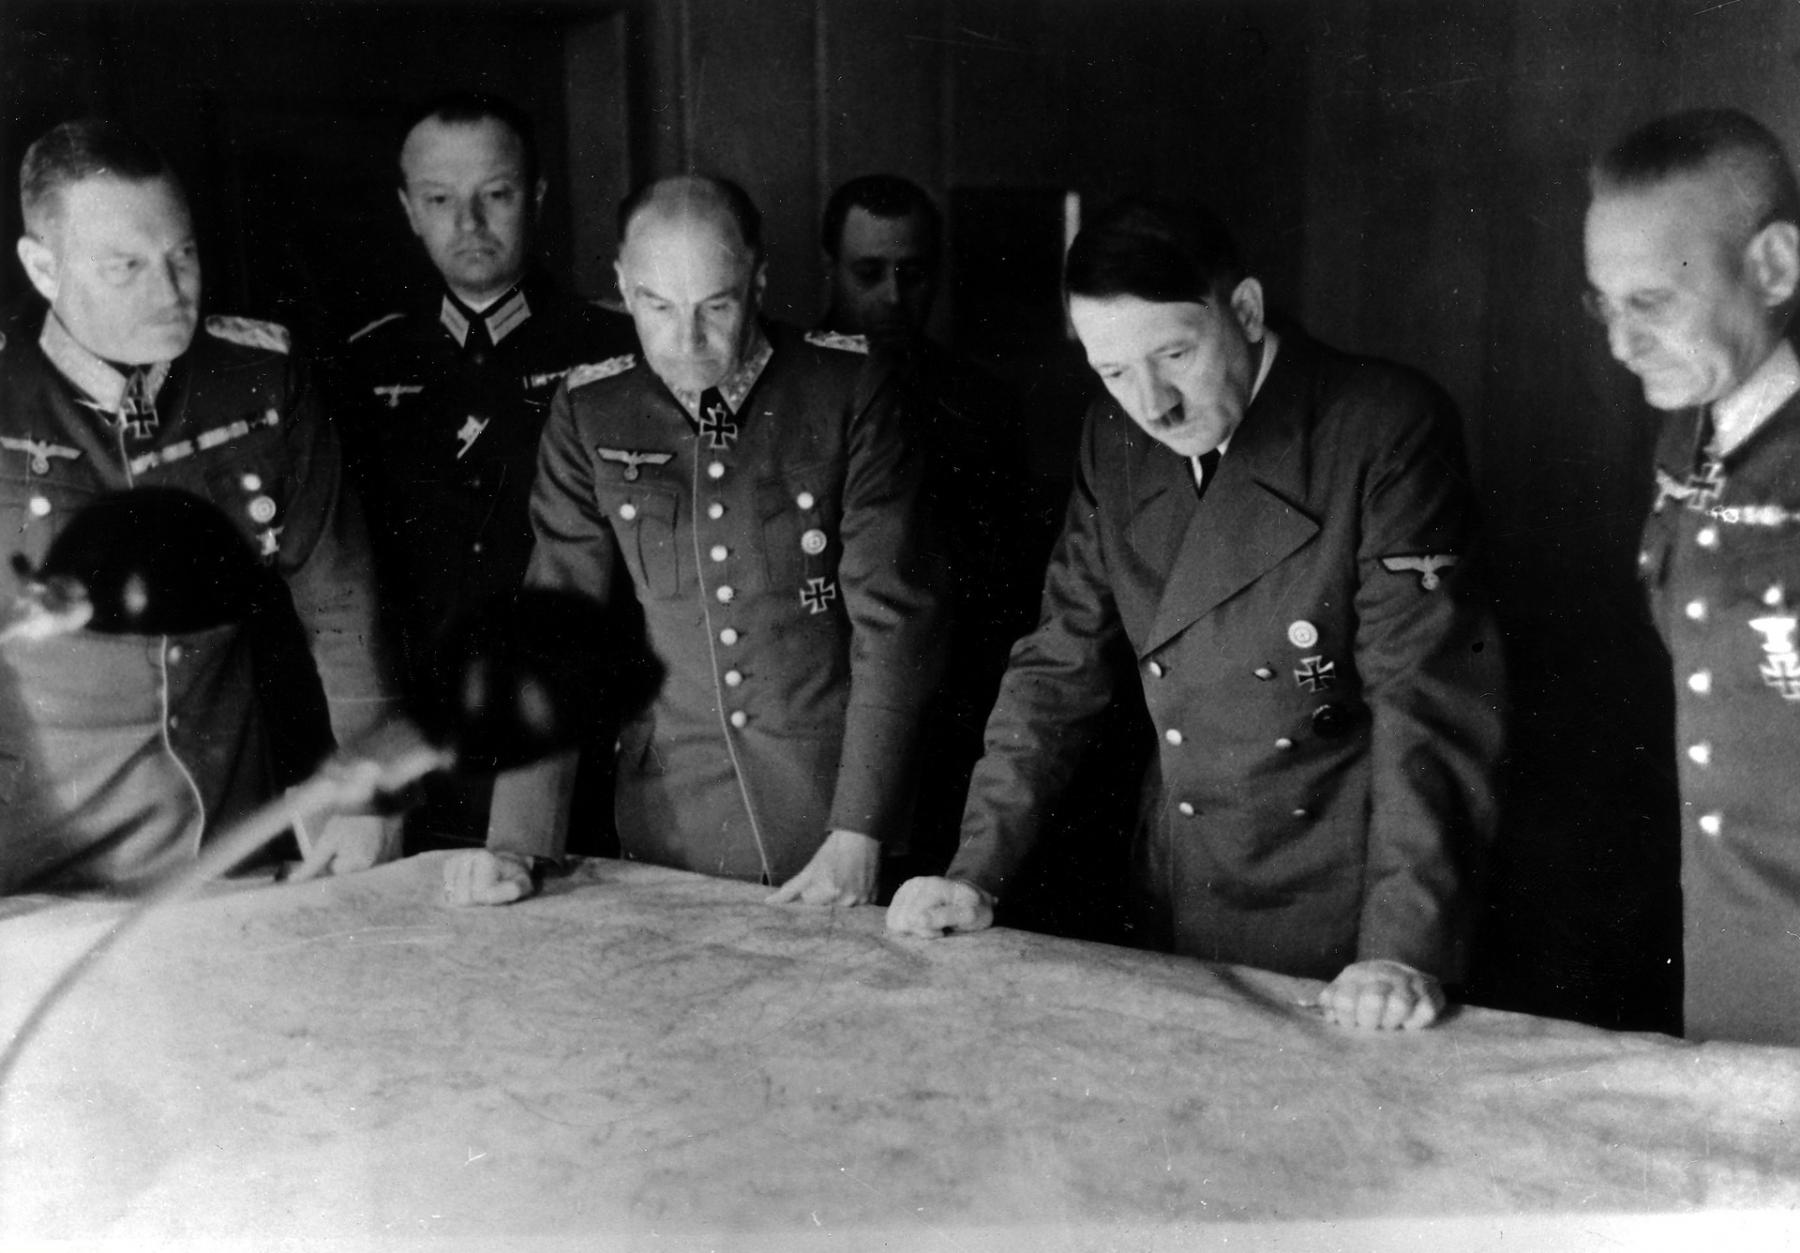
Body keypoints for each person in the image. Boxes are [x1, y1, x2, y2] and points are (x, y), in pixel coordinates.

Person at [887, 199, 1506, 1031]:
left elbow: (1426, 702)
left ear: (1244, 311)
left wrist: (1401, 948)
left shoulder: (1380, 426)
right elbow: (1060, 661)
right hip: (1184, 878)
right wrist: (975, 870)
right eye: (1113, 372)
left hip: (1346, 908)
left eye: (1175, 354)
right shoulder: (1114, 440)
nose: (1154, 405)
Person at [443, 174, 943, 908]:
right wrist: (516, 842)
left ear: (758, 280)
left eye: (716, 305)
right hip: (671, 825)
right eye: (657, 306)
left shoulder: (847, 389)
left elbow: (893, 622)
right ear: (622, 285)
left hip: (829, 819)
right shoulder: (592, 410)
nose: (686, 341)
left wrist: (859, 829)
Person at [0, 120, 397, 893]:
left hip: (224, 837)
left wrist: (370, 788)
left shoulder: (261, 379)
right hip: (32, 856)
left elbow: (343, 602)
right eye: (126, 267)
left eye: (182, 255)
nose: (171, 293)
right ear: (43, 268)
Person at [336, 92, 636, 852]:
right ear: (409, 210)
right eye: (441, 199)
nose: (468, 223)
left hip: (580, 757)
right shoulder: (366, 363)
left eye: (495, 194)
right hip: (426, 760)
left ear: (535, 197)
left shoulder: (614, 350)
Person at [1584, 108, 1800, 1045]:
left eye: (1652, 301)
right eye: (1603, 304)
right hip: (1732, 964)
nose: (1619, 343)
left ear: (1774, 268)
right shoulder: (1692, 436)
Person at [818, 175, 1040, 876]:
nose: (892, 296)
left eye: (911, 274)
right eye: (868, 273)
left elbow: (1007, 586)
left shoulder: (981, 402)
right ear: (830, 267)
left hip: (951, 719)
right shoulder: (797, 390)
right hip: (829, 722)